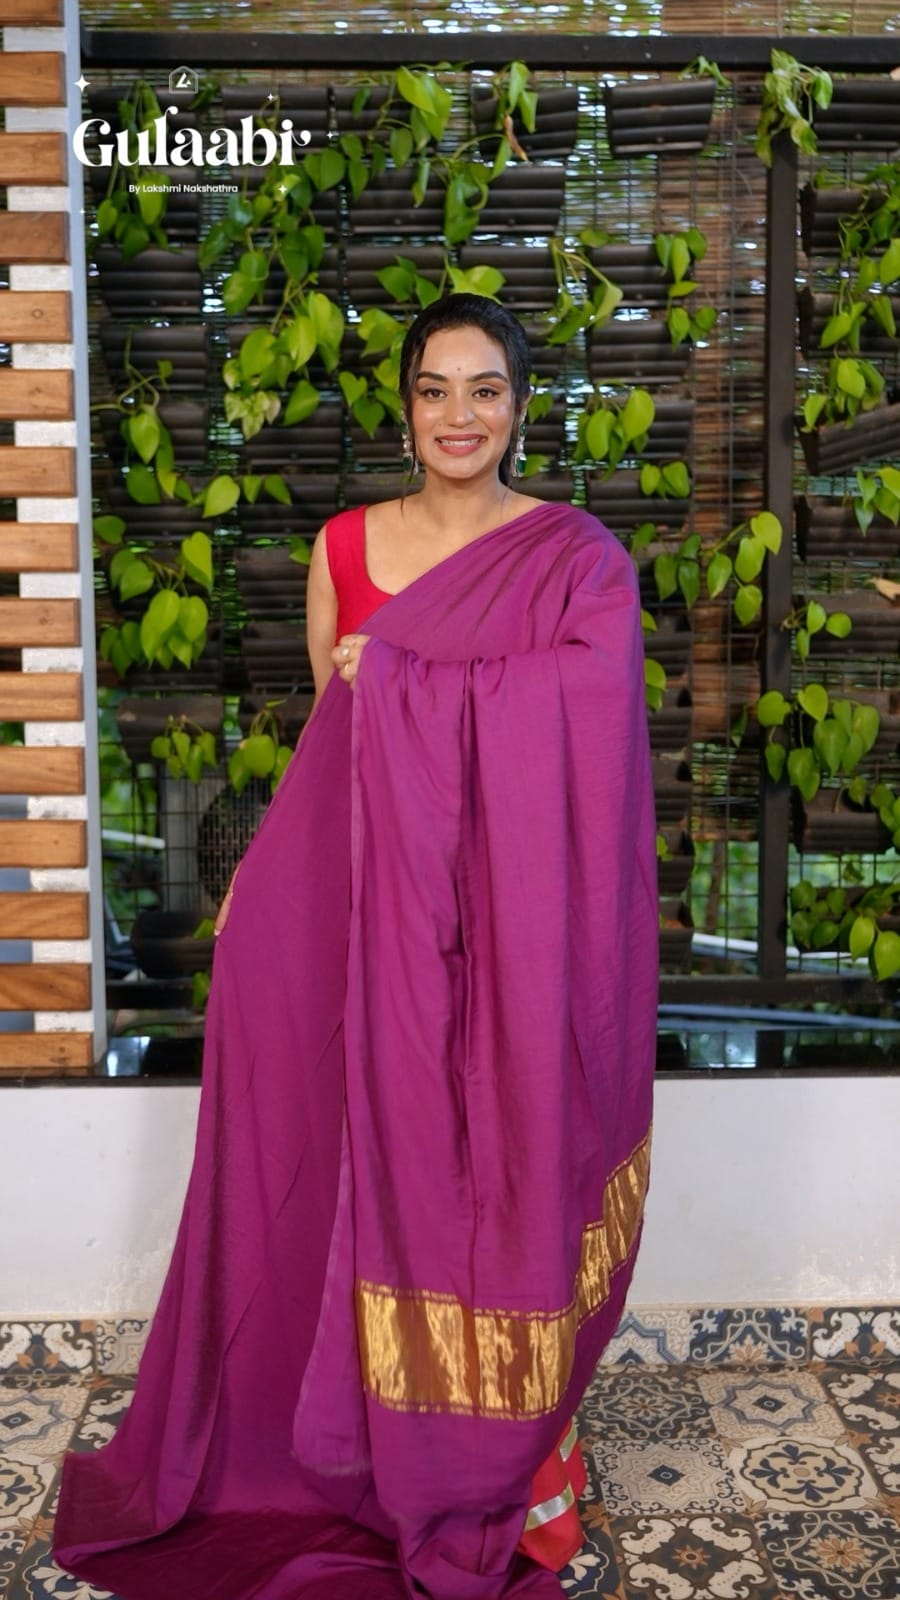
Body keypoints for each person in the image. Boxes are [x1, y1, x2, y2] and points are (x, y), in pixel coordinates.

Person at [54, 294, 658, 1600]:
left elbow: (592, 711)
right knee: (342, 1155)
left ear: (520, 405)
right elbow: (341, 758)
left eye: (485, 389)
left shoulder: (575, 562)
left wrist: (411, 679)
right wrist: (271, 880)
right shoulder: (344, 546)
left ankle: (512, 1451)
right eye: (435, 389)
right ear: (404, 405)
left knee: (508, 1169)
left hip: (515, 939)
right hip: (363, 918)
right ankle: (355, 1440)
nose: (459, 416)